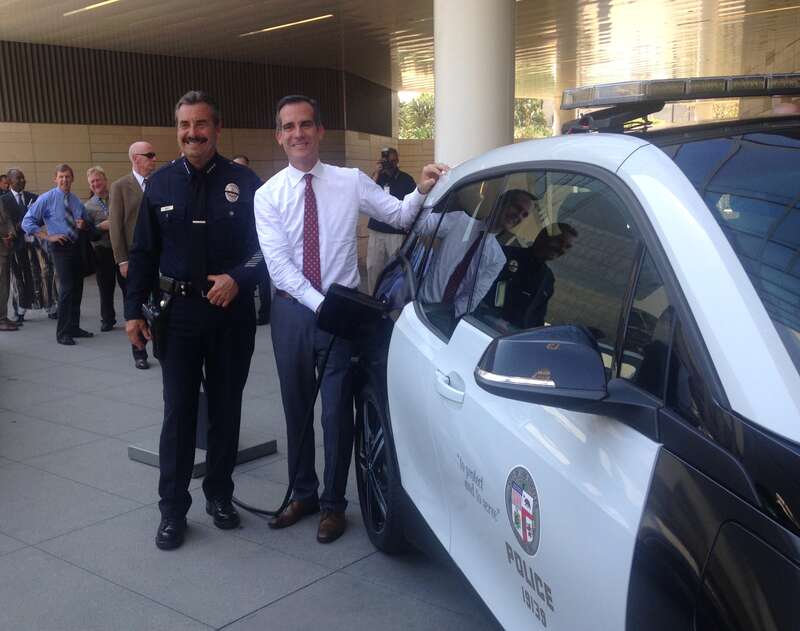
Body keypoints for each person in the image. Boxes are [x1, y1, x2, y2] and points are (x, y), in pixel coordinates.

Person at [254, 94, 446, 544]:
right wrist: (318, 305)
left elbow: (398, 216)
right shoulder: (267, 196)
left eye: (306, 124)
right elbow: (278, 266)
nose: (298, 133)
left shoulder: (349, 181)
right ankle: (302, 493)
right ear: (279, 137)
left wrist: (421, 189)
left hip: (338, 314)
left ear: (320, 131)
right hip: (292, 313)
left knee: (338, 412)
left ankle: (333, 506)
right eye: (289, 127)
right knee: (297, 407)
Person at [125, 91, 265, 551]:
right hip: (178, 316)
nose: (192, 133)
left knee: (226, 411)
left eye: (200, 124)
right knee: (179, 414)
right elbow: (143, 253)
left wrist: (239, 279)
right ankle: (172, 511)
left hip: (230, 315)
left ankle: (220, 496)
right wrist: (132, 313)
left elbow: (265, 251)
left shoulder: (245, 182)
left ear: (217, 128)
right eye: (184, 125)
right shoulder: (161, 184)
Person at [417, 189, 537, 319]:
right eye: (517, 208)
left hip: (444, 319)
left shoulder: (498, 259)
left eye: (524, 215)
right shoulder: (459, 220)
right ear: (501, 202)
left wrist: (445, 316)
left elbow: (472, 299)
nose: (518, 216)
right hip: (417, 306)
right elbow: (420, 225)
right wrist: (423, 192)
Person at [22, 164, 94, 345]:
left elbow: (87, 223)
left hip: (76, 247)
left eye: (68, 177)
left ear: (72, 179)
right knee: (67, 289)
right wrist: (47, 236)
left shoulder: (76, 200)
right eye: (61, 177)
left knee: (77, 288)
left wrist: (84, 225)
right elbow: (27, 222)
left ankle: (74, 327)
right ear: (55, 178)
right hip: (60, 248)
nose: (64, 180)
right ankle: (62, 333)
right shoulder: (46, 199)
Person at [109, 141, 157, 368]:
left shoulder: (158, 183)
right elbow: (115, 226)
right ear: (136, 159)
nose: (154, 159)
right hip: (133, 258)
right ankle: (139, 352)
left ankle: (160, 344)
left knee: (158, 303)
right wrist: (122, 259)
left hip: (158, 258)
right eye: (150, 155)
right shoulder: (120, 187)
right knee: (135, 307)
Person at [1, 169, 56, 324]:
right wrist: (17, 226)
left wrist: (32, 222)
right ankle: (20, 311)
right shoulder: (3, 200)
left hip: (36, 243)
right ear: (10, 181)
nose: (23, 181)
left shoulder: (33, 198)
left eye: (24, 178)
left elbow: (43, 217)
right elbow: (4, 222)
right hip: (15, 245)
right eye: (19, 178)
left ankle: (50, 307)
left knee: (44, 273)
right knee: (19, 278)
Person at [498, 222, 578, 329]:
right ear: (543, 236)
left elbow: (537, 319)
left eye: (567, 247)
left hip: (516, 339)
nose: (562, 249)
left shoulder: (548, 279)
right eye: (559, 241)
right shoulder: (505, 256)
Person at [366, 147, 417, 293]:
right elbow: (366, 193)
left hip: (396, 232)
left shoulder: (406, 179)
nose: (391, 164)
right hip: (376, 231)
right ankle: (372, 299)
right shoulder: (377, 177)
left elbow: (413, 204)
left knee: (396, 269)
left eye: (394, 161)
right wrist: (376, 172)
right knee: (373, 267)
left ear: (398, 161)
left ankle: (393, 300)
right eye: (388, 161)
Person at [232, 154, 271, 325]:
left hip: (259, 243)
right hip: (239, 245)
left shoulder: (258, 186)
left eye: (241, 166)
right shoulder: (228, 188)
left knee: (262, 279)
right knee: (240, 278)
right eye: (235, 166)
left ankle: (265, 313)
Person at [84, 166, 121, 331]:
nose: (96, 183)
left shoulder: (118, 197)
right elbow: (89, 234)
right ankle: (107, 319)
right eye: (92, 182)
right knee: (105, 288)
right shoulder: (88, 207)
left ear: (105, 180)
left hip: (122, 250)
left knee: (129, 286)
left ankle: (134, 317)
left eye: (98, 180)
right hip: (102, 251)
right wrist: (101, 227)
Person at [0, 188, 16, 331]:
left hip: (5, 249)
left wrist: (11, 233)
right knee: (1, 287)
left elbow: (7, 218)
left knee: (5, 285)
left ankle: (3, 317)